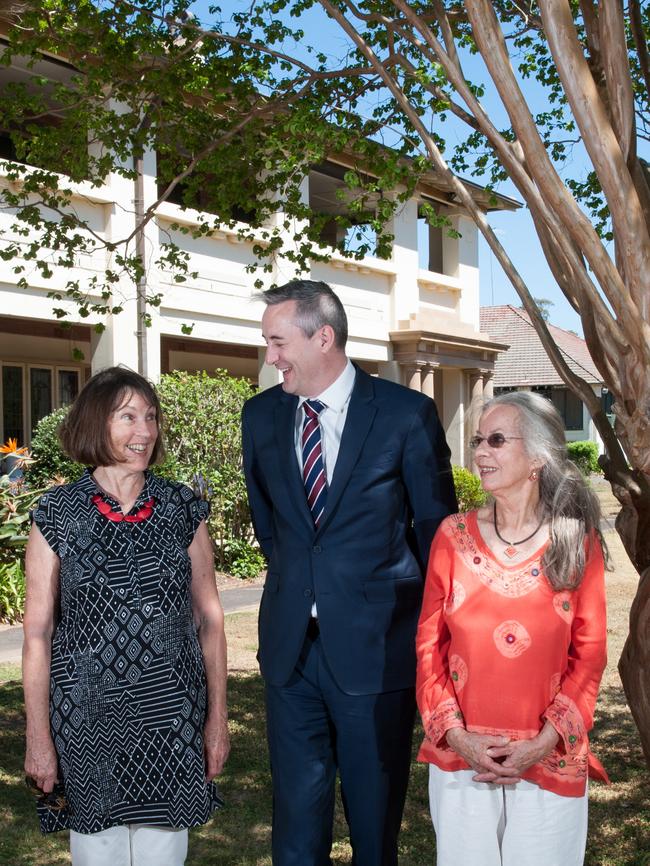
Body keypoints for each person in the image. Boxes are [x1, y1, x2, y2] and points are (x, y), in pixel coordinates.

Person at [241, 279, 457, 866]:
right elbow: (272, 528)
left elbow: (436, 534)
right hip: (290, 655)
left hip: (378, 651)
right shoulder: (259, 416)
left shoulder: (405, 414)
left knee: (374, 828)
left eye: (278, 341)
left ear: (325, 338)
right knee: (294, 831)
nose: (270, 356)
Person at [22, 366, 229, 866]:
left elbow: (210, 620)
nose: (145, 431)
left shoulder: (183, 508)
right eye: (129, 417)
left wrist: (218, 720)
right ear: (97, 422)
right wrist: (37, 736)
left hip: (171, 716)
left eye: (151, 418)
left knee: (164, 855)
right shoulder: (56, 512)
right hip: (88, 720)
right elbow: (38, 633)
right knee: (99, 856)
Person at [416, 391, 609, 866]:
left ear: (538, 457)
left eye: (497, 440)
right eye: (479, 440)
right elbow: (427, 647)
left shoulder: (574, 540)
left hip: (549, 759)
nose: (480, 452)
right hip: (464, 764)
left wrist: (541, 744)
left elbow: (590, 655)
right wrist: (460, 739)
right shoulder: (451, 536)